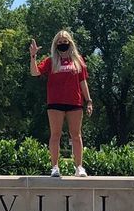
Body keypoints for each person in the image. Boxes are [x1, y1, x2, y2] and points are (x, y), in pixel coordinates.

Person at [30, 31, 93, 177]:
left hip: (75, 102)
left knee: (76, 135)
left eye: (65, 41)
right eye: (59, 42)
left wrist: (88, 101)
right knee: (55, 135)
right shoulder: (51, 61)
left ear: (70, 43)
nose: (62, 44)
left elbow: (83, 82)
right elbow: (35, 72)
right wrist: (33, 56)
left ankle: (79, 167)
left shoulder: (78, 61)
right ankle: (55, 167)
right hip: (55, 102)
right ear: (55, 44)